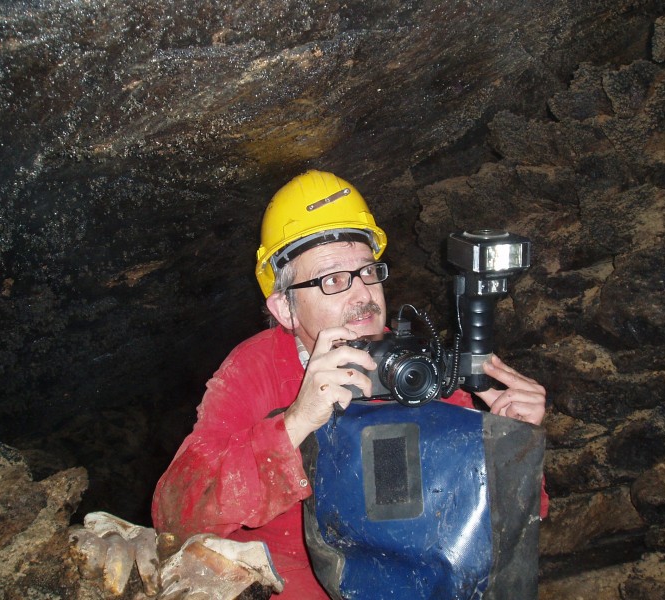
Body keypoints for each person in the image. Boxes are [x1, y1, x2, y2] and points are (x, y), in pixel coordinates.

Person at [152, 170, 547, 598]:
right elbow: (176, 515)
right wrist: (294, 423)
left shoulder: (421, 371)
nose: (363, 294)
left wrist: (513, 446)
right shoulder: (257, 369)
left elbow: (500, 532)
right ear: (286, 308)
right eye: (333, 280)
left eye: (368, 271)